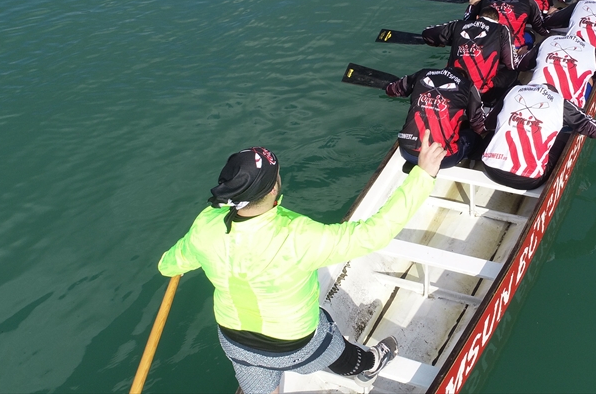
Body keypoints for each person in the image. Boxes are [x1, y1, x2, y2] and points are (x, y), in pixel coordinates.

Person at [157, 136, 445, 394]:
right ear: (273, 191)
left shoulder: (205, 225)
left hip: (236, 344)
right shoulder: (299, 235)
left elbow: (168, 266)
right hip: (294, 346)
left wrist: (181, 257)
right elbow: (374, 234)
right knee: (335, 350)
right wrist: (423, 175)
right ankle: (370, 363)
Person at [478, 83, 596, 191]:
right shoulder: (562, 103)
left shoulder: (513, 91)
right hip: (527, 181)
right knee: (568, 136)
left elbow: (489, 124)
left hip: (489, 168)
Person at [385, 66, 487, 170]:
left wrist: (389, 88)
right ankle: (477, 164)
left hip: (407, 151)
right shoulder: (468, 85)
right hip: (443, 159)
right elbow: (478, 126)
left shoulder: (422, 73)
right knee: (473, 137)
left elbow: (392, 90)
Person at [421, 7, 520, 102]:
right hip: (481, 92)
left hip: (453, 88)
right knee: (513, 71)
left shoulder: (458, 24)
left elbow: (427, 33)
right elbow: (511, 64)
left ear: (477, 17)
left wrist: (441, 43)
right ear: (498, 21)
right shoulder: (502, 29)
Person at [517, 33, 596, 108]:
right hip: (568, 110)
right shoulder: (593, 52)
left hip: (534, 98)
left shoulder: (547, 41)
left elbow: (523, 65)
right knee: (590, 78)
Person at [464, 0, 549, 50]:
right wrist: (548, 33)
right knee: (531, 35)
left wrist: (472, 6)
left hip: (485, 43)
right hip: (512, 47)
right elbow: (539, 27)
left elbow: (467, 21)